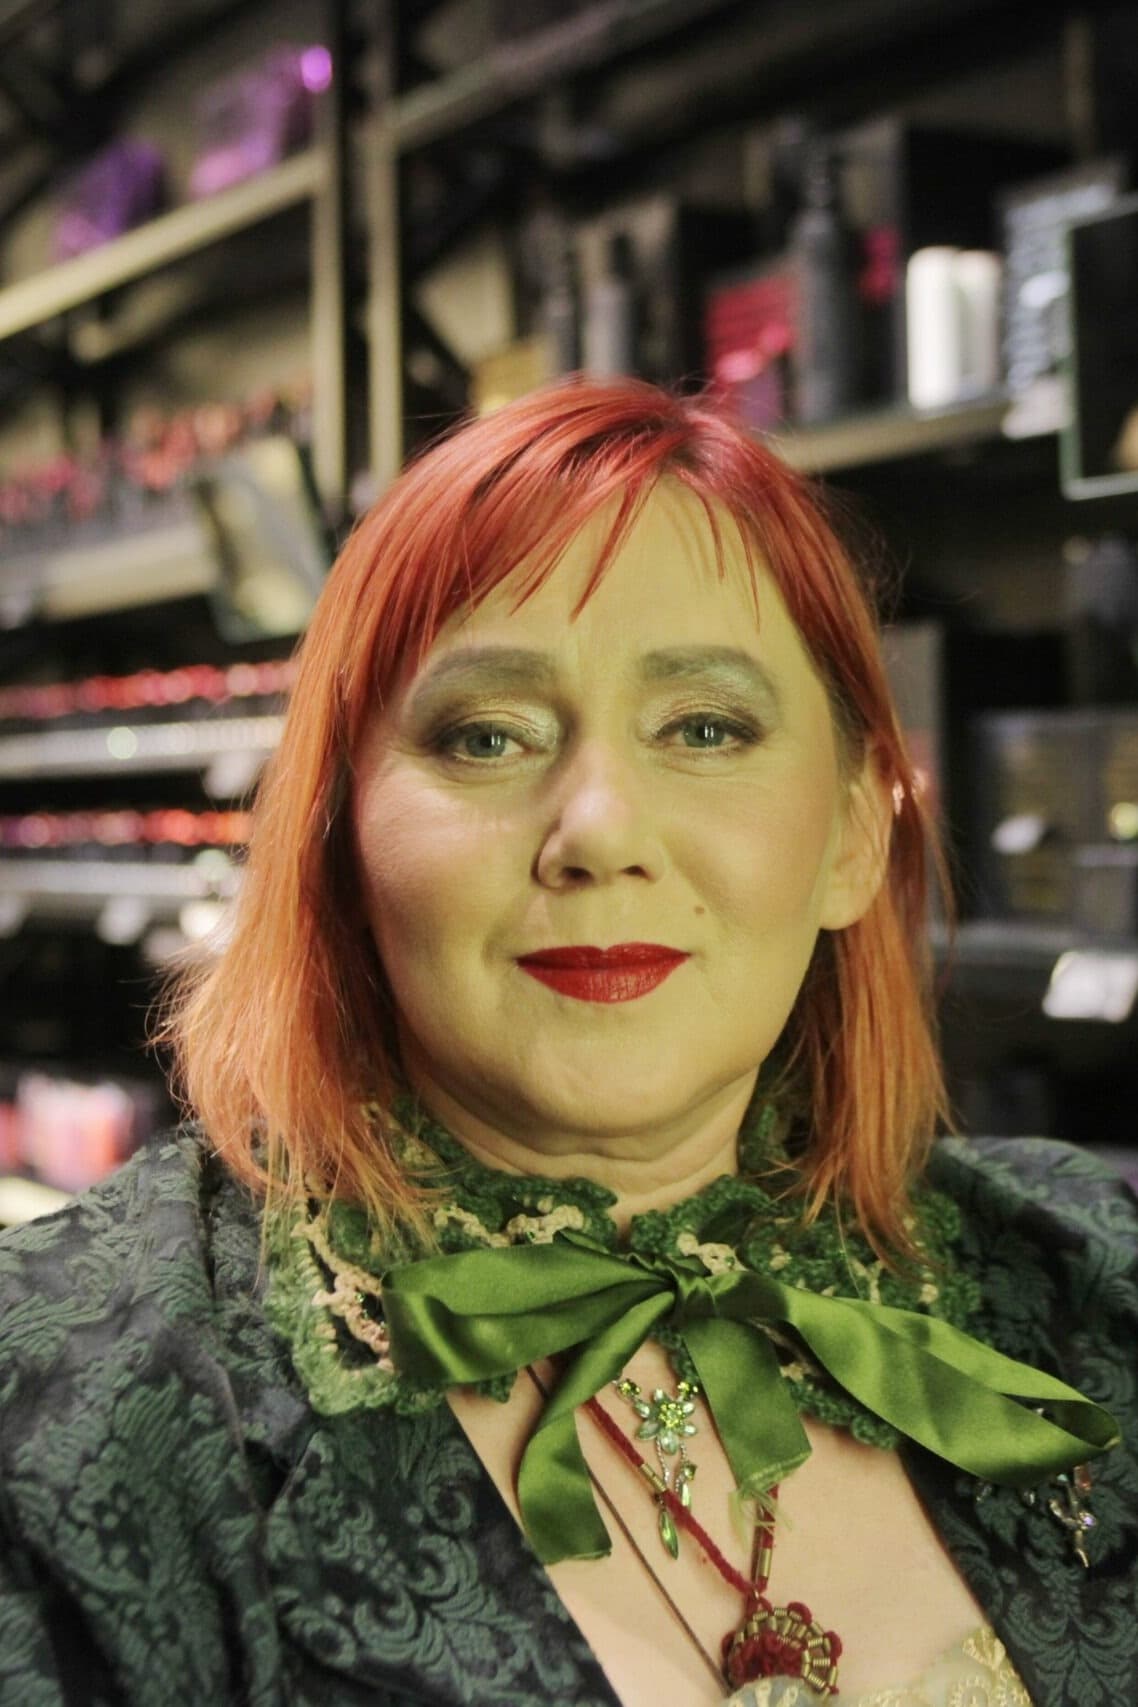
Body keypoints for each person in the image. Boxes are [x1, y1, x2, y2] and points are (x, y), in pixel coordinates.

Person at [0, 376, 1134, 1707]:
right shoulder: (64, 1410)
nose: (598, 831)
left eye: (704, 729)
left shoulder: (1091, 1273)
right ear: (340, 840)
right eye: (487, 736)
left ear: (849, 836)